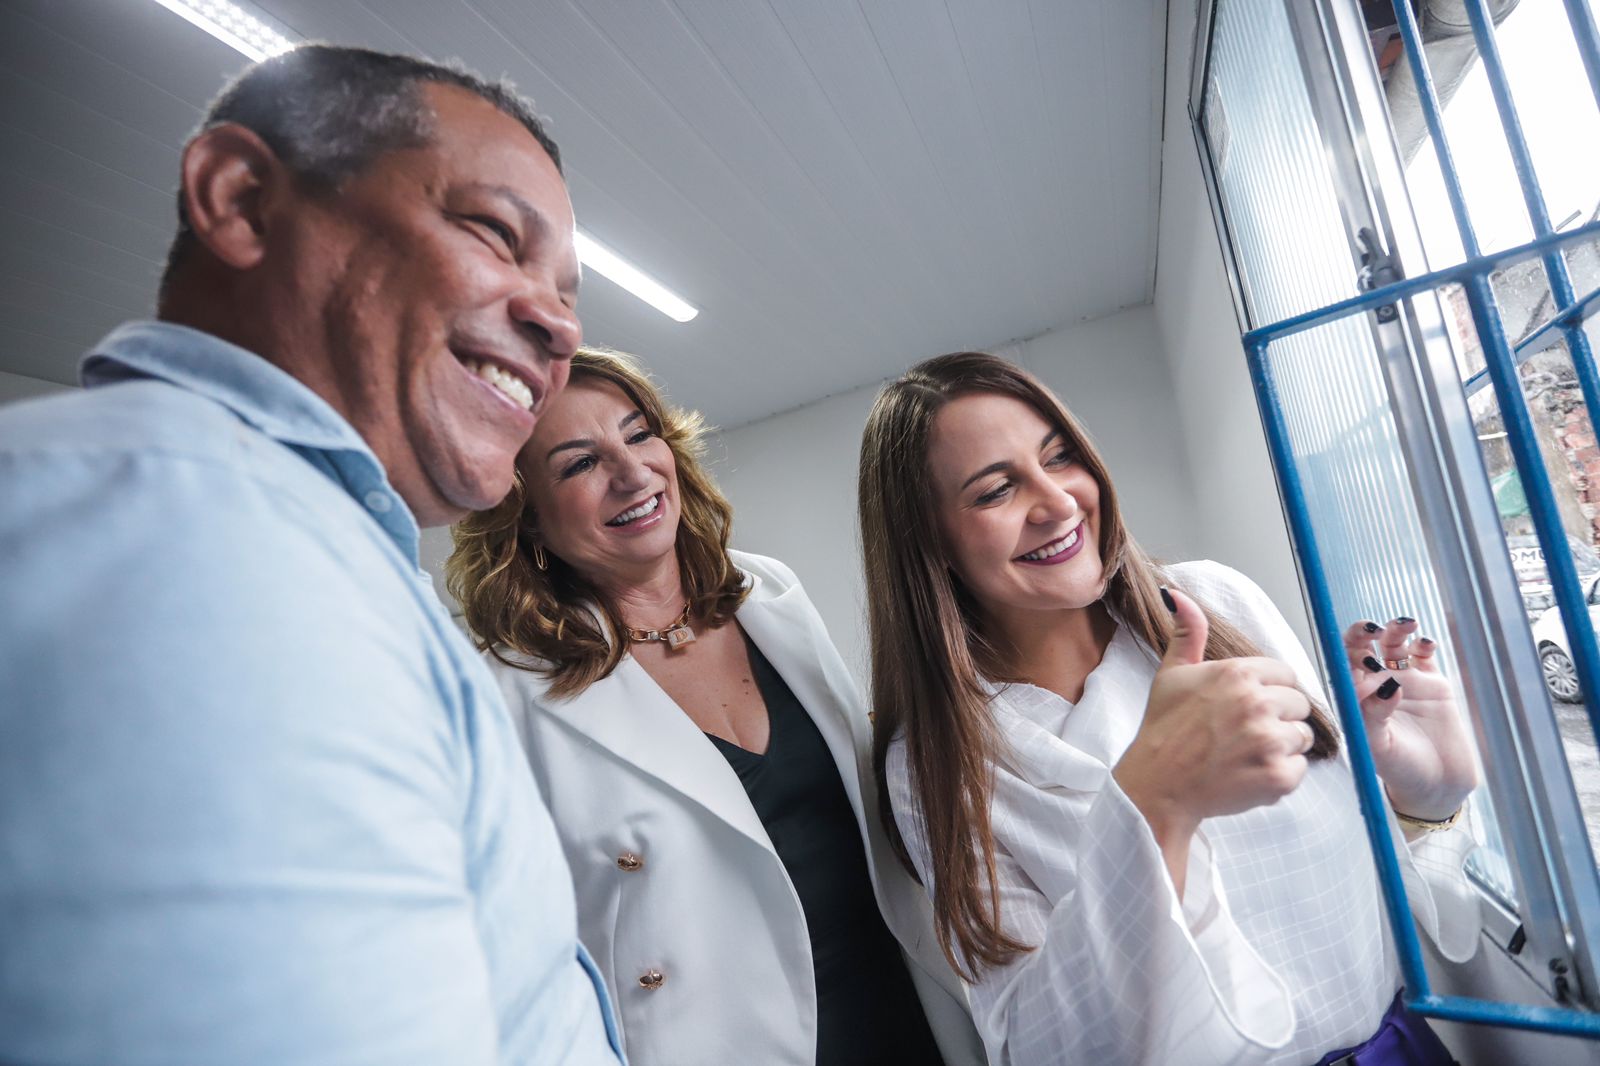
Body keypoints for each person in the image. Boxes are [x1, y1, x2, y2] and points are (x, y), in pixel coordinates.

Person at [0, 46, 623, 1064]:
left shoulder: (311, 547)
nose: (559, 325)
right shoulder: (208, 542)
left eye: (565, 290)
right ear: (241, 200)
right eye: (494, 233)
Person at [856, 351, 1482, 1066]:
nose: (1058, 502)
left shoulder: (1219, 605)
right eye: (996, 491)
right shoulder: (936, 761)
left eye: (1060, 456)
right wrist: (1153, 811)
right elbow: (1038, 1044)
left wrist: (1423, 800)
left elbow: (1349, 892)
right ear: (929, 542)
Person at [448, 348, 986, 1066]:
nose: (633, 472)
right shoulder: (508, 697)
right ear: (528, 519)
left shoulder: (771, 594)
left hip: (907, 1016)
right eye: (579, 463)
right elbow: (511, 954)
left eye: (639, 435)